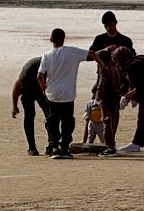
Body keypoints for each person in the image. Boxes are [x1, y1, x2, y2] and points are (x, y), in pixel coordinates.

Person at [36, 28, 101, 160]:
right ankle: (65, 147)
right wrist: (103, 66)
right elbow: (92, 54)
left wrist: (43, 87)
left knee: (53, 122)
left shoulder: (46, 55)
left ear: (51, 40)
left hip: (52, 94)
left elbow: (39, 75)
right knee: (67, 122)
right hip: (68, 94)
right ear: (63, 39)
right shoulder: (72, 52)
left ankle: (55, 147)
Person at [11, 56, 49, 155]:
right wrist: (14, 106)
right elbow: (16, 87)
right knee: (30, 115)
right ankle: (32, 147)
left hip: (41, 87)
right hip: (30, 87)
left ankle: (51, 145)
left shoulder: (49, 66)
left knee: (49, 116)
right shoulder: (25, 78)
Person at [91, 49, 126, 155]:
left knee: (106, 121)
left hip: (106, 99)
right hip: (115, 98)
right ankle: (112, 144)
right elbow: (125, 82)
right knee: (112, 121)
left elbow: (100, 86)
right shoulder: (115, 68)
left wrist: (97, 98)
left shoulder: (105, 69)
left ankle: (109, 146)